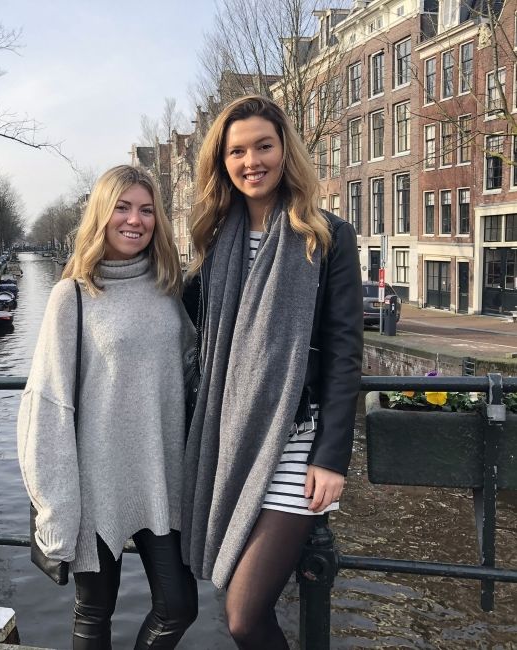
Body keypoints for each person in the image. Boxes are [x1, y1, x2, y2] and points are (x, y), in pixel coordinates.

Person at [181, 95, 363, 649]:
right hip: (229, 440)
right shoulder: (213, 243)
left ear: (285, 152)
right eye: (237, 151)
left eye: (263, 145)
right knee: (234, 599)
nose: (251, 161)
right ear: (223, 162)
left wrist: (332, 457)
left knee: (242, 613)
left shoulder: (326, 236)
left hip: (297, 444)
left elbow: (343, 351)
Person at [18, 165, 198, 650]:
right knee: (96, 612)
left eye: (145, 209)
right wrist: (54, 505)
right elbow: (49, 405)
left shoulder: (168, 291)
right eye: (122, 207)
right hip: (96, 482)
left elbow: (188, 376)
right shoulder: (71, 296)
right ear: (101, 214)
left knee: (179, 606)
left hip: (163, 476)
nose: (134, 220)